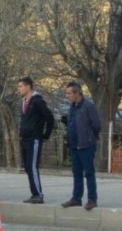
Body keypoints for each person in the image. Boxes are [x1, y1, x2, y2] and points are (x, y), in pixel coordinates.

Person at [61, 82, 102, 211]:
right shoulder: (72, 107)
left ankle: (92, 199)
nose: (67, 96)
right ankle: (76, 198)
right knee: (76, 173)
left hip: (86, 145)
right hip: (74, 145)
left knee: (89, 172)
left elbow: (96, 125)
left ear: (77, 93)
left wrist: (90, 136)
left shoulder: (88, 106)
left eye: (69, 93)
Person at [17, 76, 54, 204]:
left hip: (34, 139)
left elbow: (49, 117)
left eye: (20, 86)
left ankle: (38, 194)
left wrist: (46, 134)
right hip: (25, 138)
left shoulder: (37, 101)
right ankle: (34, 193)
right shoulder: (23, 101)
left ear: (28, 87)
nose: (19, 89)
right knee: (27, 166)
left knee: (32, 166)